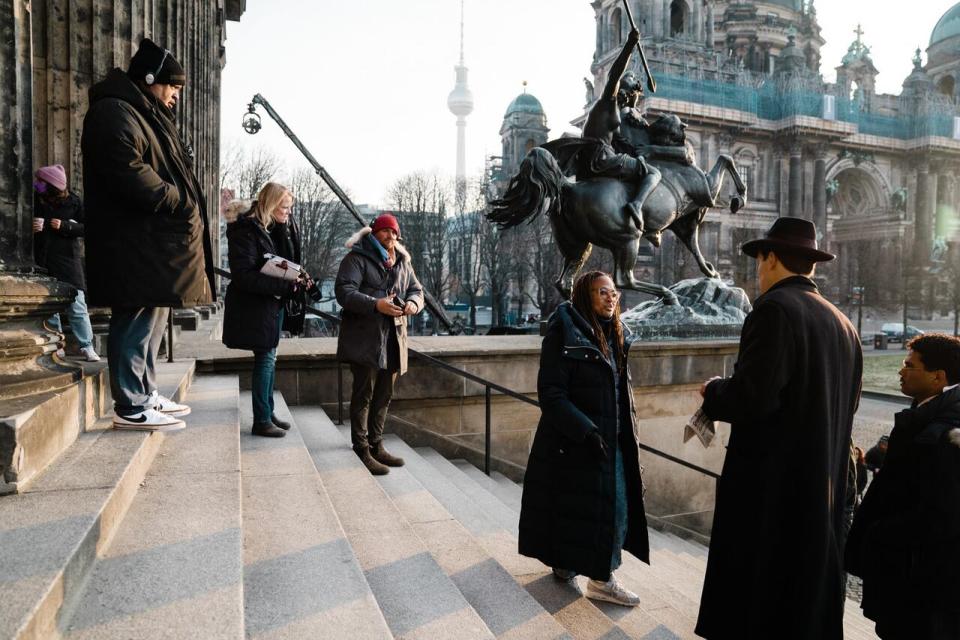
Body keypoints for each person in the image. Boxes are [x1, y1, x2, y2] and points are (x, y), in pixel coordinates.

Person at [695, 217, 862, 640]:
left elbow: (754, 398)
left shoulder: (773, 309)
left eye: (759, 259)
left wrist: (714, 391)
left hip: (770, 490)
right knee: (799, 600)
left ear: (770, 258)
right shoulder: (844, 324)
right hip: (819, 486)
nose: (757, 269)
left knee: (756, 596)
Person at [82, 38, 214, 431]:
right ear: (151, 79)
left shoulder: (142, 112)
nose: (175, 95)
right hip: (133, 242)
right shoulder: (114, 112)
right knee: (135, 316)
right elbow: (128, 169)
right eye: (172, 86)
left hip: (150, 242)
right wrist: (178, 199)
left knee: (153, 314)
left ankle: (144, 391)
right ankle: (130, 403)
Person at [518, 271, 649, 607]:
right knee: (596, 509)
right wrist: (585, 430)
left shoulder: (617, 334)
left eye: (614, 292)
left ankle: (569, 564)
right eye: (602, 292)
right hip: (578, 441)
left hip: (613, 439)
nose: (611, 297)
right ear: (584, 296)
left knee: (604, 509)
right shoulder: (564, 332)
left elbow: (622, 393)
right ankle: (602, 580)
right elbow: (551, 393)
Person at [845, 334, 960, 639]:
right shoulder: (923, 416)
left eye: (910, 365)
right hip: (911, 573)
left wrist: (877, 532)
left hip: (919, 579)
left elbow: (938, 515)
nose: (901, 371)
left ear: (938, 377)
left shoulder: (943, 432)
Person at [335, 214, 423, 475]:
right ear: (374, 232)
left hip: (394, 340)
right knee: (363, 394)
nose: (390, 237)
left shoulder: (403, 262)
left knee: (384, 395)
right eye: (385, 231)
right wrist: (376, 304)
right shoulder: (356, 258)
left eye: (394, 232)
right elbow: (344, 292)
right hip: (364, 338)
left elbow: (417, 290)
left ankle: (376, 444)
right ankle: (361, 448)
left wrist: (413, 305)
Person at [223, 184, 308, 437]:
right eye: (284, 207)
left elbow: (279, 261)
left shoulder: (270, 228)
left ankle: (267, 412)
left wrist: (295, 278)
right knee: (265, 359)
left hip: (271, 303)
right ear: (270, 205)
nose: (288, 213)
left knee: (270, 358)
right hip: (256, 305)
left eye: (290, 208)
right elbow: (244, 275)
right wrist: (285, 285)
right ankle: (261, 419)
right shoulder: (245, 230)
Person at [32, 164, 100, 362]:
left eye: (41, 182)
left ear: (51, 184)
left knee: (77, 305)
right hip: (43, 260)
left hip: (68, 261)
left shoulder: (74, 203)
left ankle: (87, 346)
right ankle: (57, 345)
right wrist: (31, 227)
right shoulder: (34, 200)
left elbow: (89, 228)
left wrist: (66, 226)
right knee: (49, 307)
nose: (37, 184)